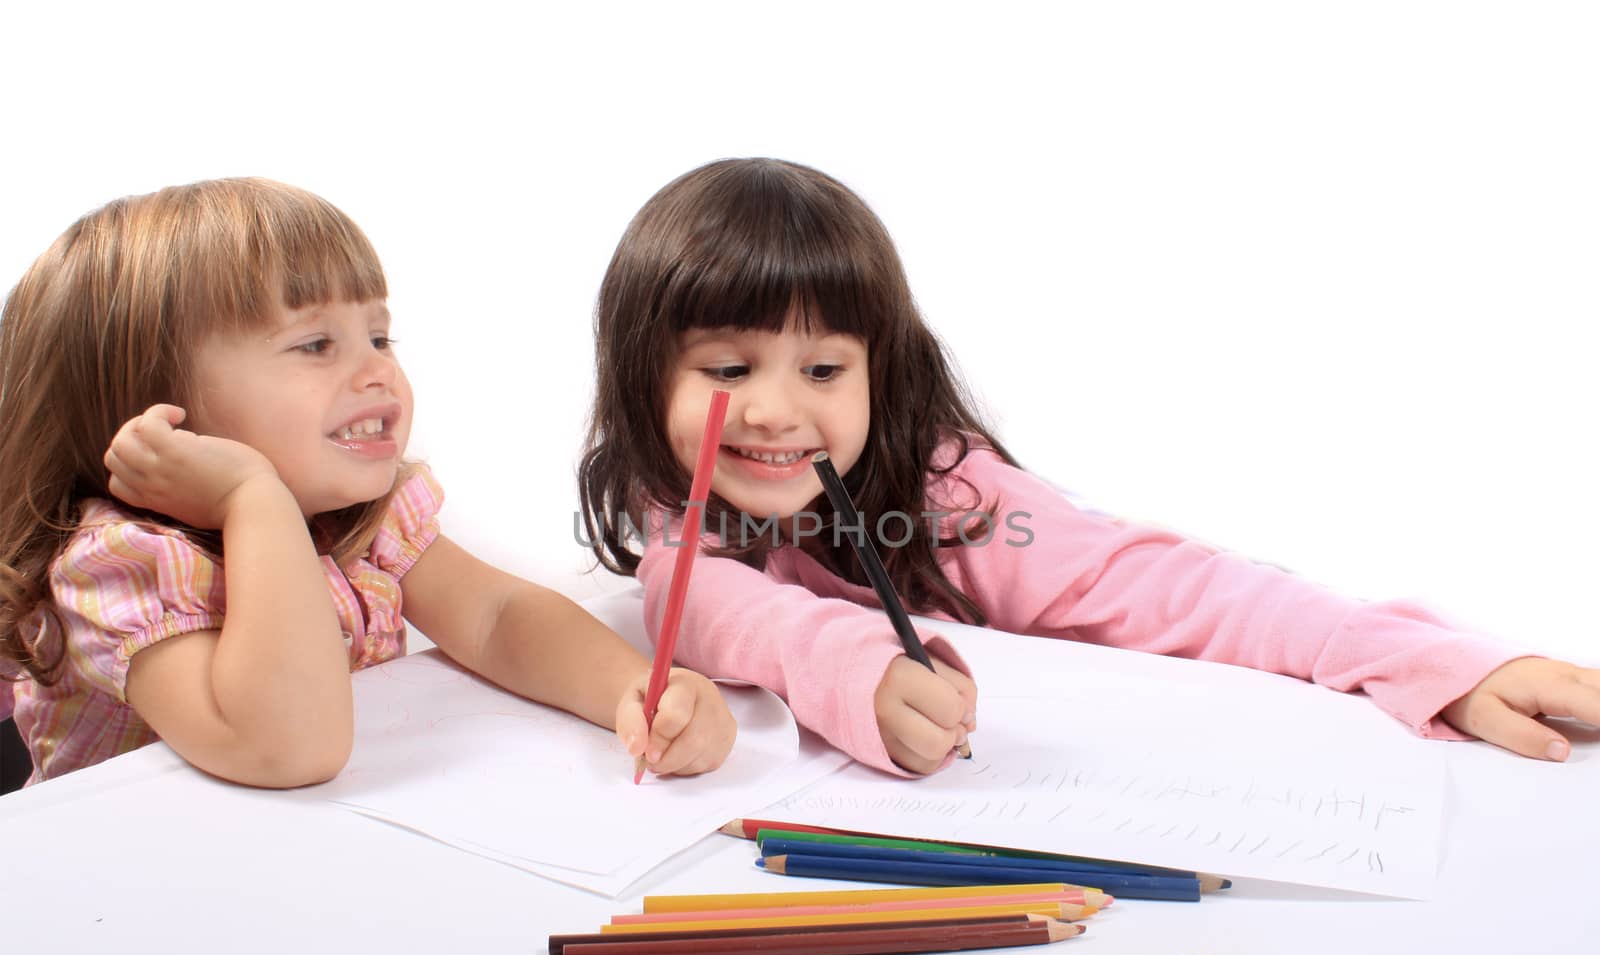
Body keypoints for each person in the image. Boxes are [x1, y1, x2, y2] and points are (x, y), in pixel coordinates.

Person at [578, 156, 1600, 776]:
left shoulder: (955, 497)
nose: (773, 408)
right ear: (642, 370)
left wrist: (1423, 662)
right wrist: (853, 669)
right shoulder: (679, 485)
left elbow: (1166, 588)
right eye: (726, 365)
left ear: (881, 372)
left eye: (823, 366)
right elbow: (699, 598)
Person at [0, 177, 735, 788]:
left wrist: (631, 690)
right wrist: (251, 499)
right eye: (315, 344)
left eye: (379, 336)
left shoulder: (363, 515)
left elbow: (496, 618)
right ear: (153, 403)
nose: (378, 370)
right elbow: (287, 748)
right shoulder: (118, 563)